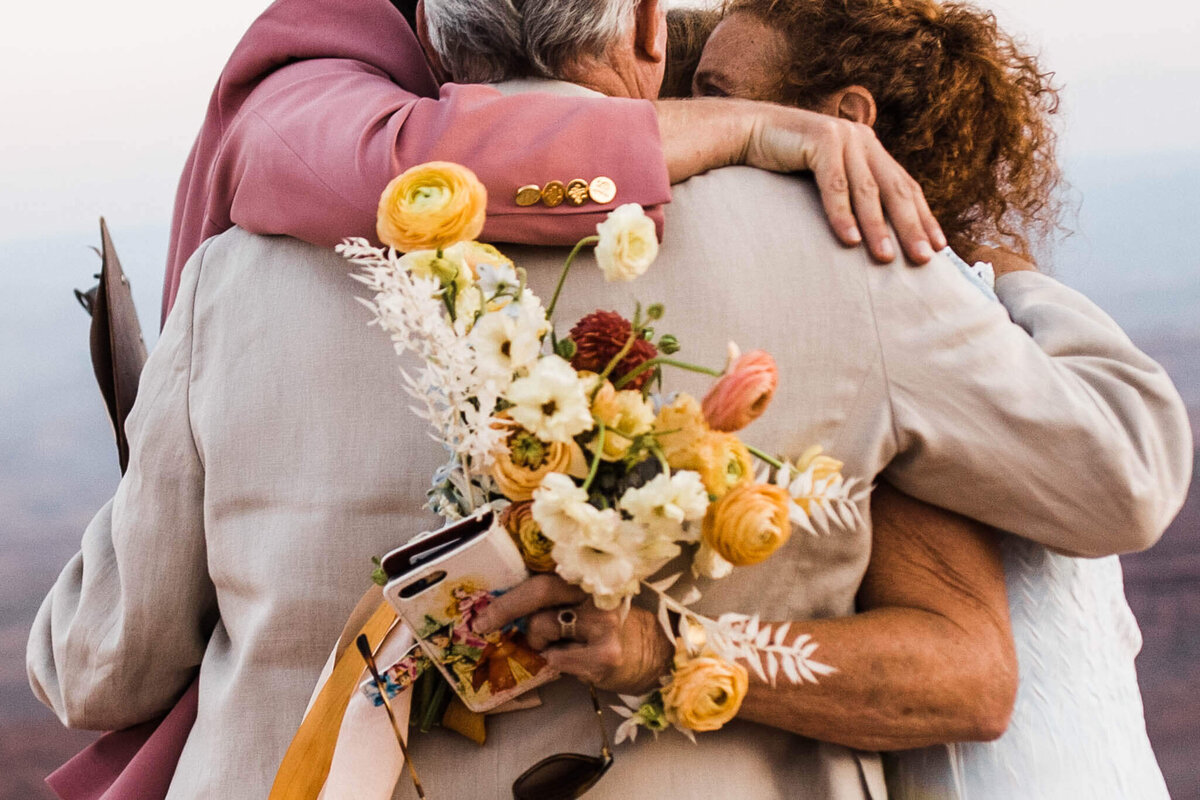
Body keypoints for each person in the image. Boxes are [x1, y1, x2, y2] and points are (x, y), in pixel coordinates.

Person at [28, 2, 1190, 799]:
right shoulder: (855, 247)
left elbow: (97, 669)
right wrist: (1005, 270)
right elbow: (1123, 476)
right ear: (644, 27)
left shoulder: (238, 275)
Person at [683, 0, 1189, 796]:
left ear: (847, 117)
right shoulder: (958, 301)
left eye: (718, 95)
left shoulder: (911, 310)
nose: (704, 126)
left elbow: (1132, 470)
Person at [161, 0, 949, 325]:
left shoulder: (441, 36)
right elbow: (415, 168)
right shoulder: (305, 65)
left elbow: (621, 60)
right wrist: (742, 125)